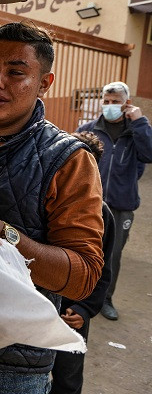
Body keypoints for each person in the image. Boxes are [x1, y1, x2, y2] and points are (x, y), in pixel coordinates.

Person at [0, 21, 104, 393]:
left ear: (45, 83)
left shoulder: (69, 160)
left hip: (10, 368)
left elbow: (83, 275)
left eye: (16, 72)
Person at [77, 81, 152, 320]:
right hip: (90, 204)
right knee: (83, 248)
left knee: (113, 255)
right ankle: (79, 296)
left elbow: (148, 156)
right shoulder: (89, 129)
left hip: (121, 206)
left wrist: (140, 122)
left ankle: (105, 299)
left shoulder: (136, 131)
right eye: (106, 102)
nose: (109, 106)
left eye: (115, 102)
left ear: (126, 104)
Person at [50, 131, 114, 394]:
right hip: (39, 306)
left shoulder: (102, 214)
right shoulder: (43, 200)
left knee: (67, 378)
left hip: (71, 315)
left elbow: (103, 269)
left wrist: (84, 309)